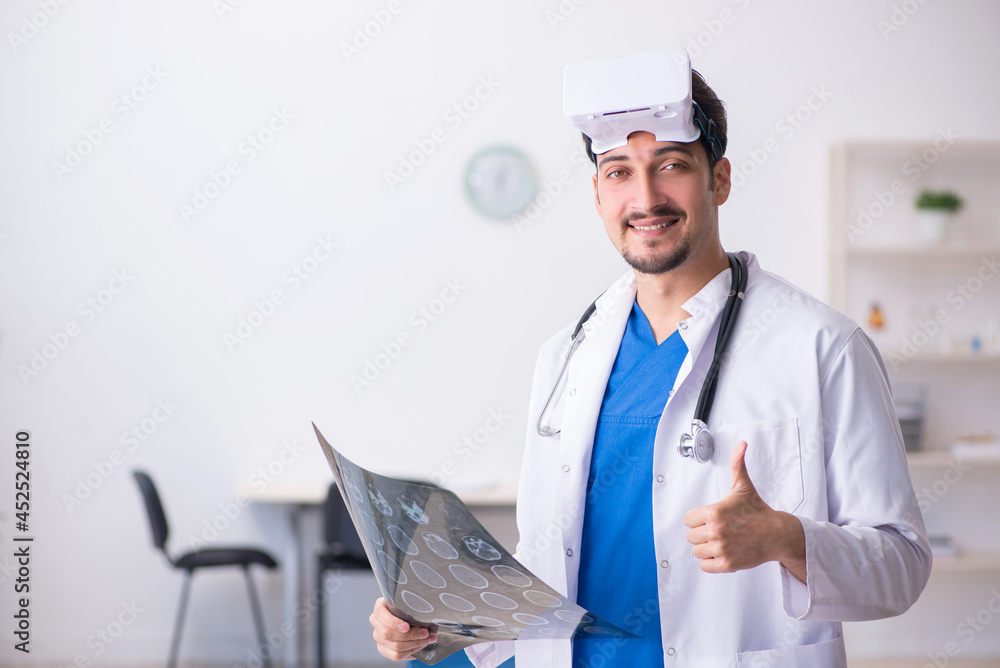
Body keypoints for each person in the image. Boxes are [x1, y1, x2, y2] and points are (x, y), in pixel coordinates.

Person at [370, 49, 931, 667]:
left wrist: (783, 538)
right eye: (618, 171)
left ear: (718, 178)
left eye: (670, 164)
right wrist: (440, 625)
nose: (645, 197)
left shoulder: (822, 347)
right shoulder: (565, 358)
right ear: (596, 193)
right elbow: (548, 559)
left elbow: (901, 564)